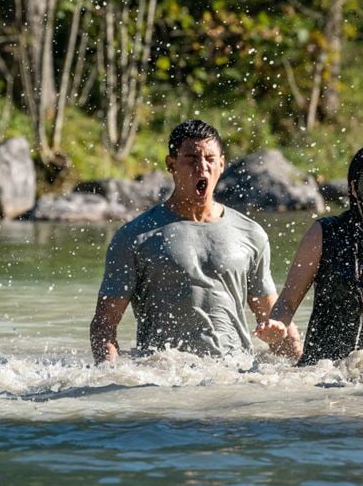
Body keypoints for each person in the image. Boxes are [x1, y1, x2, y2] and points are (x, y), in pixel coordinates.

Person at [89, 119, 299, 362]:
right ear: (171, 164)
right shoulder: (134, 236)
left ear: (222, 164)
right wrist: (113, 379)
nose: (202, 168)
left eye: (210, 159)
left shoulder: (251, 234)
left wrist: (300, 369)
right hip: (162, 380)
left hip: (234, 377)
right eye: (191, 159)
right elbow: (104, 325)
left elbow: (273, 319)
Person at [255, 144, 363, 364]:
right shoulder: (327, 233)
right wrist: (277, 324)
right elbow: (287, 302)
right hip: (327, 378)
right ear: (355, 189)